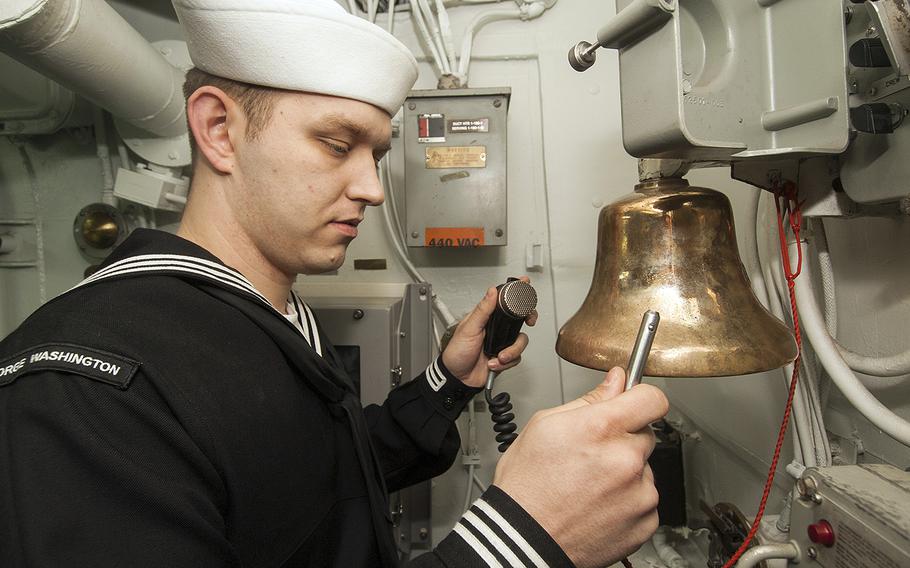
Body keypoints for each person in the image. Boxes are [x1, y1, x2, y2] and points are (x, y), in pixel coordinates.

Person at [0, 1, 669, 566]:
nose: (373, 188)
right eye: (335, 142)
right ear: (218, 129)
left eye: (376, 152)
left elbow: (315, 483)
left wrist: (448, 385)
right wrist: (517, 542)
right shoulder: (86, 393)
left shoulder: (266, 311)